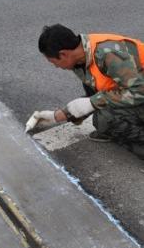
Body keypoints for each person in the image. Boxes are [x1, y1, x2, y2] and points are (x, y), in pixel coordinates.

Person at [26, 24, 144, 160]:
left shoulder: (107, 54)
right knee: (100, 112)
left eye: (54, 62)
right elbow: (95, 95)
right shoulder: (82, 60)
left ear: (63, 54)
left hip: (140, 91)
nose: (56, 67)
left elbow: (139, 90)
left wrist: (93, 103)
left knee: (105, 119)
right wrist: (57, 116)